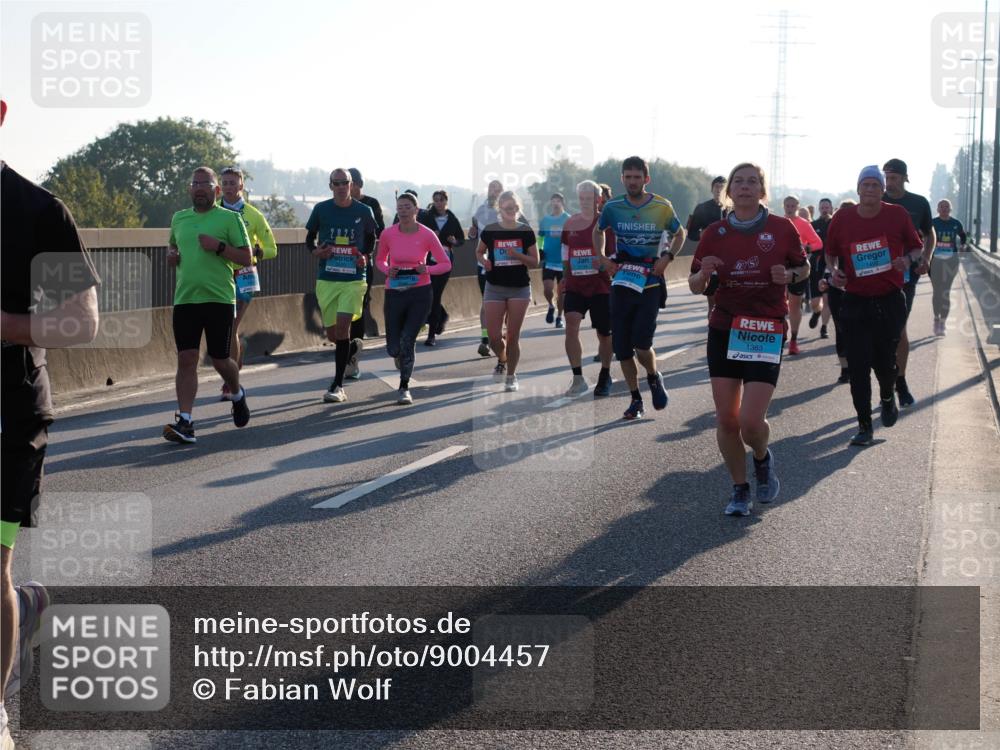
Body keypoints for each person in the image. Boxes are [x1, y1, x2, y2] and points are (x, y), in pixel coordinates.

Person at [1, 96, 100, 747]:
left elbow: (81, 322)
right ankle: (24, 608)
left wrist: (5, 327)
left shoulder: (36, 211)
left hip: (9, 418)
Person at [689, 161, 808, 516]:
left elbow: (805, 267)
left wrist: (787, 273)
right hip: (725, 327)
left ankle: (761, 456)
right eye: (738, 182)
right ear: (729, 191)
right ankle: (740, 489)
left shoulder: (782, 228)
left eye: (752, 181)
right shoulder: (714, 233)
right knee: (726, 419)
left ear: (761, 189)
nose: (744, 187)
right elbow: (696, 285)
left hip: (766, 328)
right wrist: (703, 275)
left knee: (751, 422)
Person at [825, 166, 923, 446]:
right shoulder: (842, 218)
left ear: (883, 190)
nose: (870, 189)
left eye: (875, 185)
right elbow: (830, 254)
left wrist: (908, 260)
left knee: (884, 362)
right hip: (855, 300)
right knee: (858, 366)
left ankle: (888, 396)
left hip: (890, 299)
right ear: (858, 189)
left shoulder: (897, 214)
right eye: (865, 184)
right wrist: (834, 272)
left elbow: (916, 247)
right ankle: (864, 426)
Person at [163, 167, 253, 443]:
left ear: (216, 191)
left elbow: (247, 257)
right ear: (190, 190)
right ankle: (186, 421)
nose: (199, 188)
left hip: (219, 299)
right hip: (186, 299)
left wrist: (219, 247)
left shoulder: (230, 218)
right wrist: (172, 254)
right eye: (195, 184)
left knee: (219, 359)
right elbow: (173, 247)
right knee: (186, 358)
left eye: (205, 184)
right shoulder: (179, 219)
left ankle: (237, 393)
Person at [594, 156, 686, 420]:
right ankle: (636, 399)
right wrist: (602, 258)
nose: (632, 182)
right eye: (627, 177)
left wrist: (667, 257)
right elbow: (599, 230)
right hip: (622, 280)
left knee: (642, 345)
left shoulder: (661, 206)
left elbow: (680, 233)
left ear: (646, 179)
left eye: (637, 177)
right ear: (622, 179)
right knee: (622, 348)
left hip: (650, 282)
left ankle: (654, 376)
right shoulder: (612, 206)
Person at [305, 168, 378, 404]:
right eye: (335, 183)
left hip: (354, 279)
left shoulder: (364, 211)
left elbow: (371, 238)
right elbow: (309, 238)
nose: (340, 187)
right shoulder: (321, 209)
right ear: (330, 186)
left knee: (344, 328)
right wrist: (317, 251)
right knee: (334, 335)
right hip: (327, 277)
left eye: (344, 182)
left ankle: (337, 385)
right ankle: (351, 351)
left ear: (351, 184)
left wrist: (365, 255)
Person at [377, 193, 452, 404]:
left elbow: (445, 264)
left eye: (407, 207)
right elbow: (380, 260)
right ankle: (400, 358)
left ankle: (404, 387)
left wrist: (425, 268)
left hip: (420, 293)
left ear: (416, 210)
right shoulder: (388, 234)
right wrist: (387, 270)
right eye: (400, 207)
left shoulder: (427, 235)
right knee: (393, 348)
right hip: (394, 293)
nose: (403, 210)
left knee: (408, 339)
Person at [217, 167, 277, 400]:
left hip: (244, 275)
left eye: (233, 182)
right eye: (225, 183)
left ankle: (230, 383)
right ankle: (237, 350)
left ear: (241, 185)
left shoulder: (253, 215)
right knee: (225, 330)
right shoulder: (213, 212)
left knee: (230, 326)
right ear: (220, 187)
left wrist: (257, 251)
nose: (229, 187)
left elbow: (273, 248)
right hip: (218, 275)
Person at [882, 158, 935, 408]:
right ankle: (886, 384)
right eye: (886, 177)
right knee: (880, 334)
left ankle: (899, 381)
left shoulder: (918, 203)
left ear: (904, 178)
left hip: (907, 275)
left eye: (893, 177)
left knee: (899, 328)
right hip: (875, 275)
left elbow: (929, 233)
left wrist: (926, 257)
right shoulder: (875, 201)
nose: (889, 182)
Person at [476, 190, 539, 391]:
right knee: (494, 337)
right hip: (494, 287)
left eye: (514, 208)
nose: (510, 211)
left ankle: (511, 376)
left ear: (518, 209)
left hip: (519, 288)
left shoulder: (525, 231)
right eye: (506, 208)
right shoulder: (491, 230)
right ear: (499, 210)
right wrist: (484, 261)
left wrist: (516, 255)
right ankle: (502, 359)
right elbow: (479, 251)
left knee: (512, 336)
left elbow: (535, 262)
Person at [561, 180, 614, 398]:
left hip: (601, 287)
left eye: (589, 199)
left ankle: (605, 373)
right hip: (575, 285)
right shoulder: (570, 223)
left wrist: (603, 262)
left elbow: (616, 255)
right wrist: (563, 282)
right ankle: (578, 378)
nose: (584, 202)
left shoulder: (607, 225)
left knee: (604, 335)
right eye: (581, 198)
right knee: (571, 325)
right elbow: (565, 254)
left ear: (598, 200)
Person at [418, 190, 465, 346]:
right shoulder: (426, 216)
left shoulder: (452, 218)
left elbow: (461, 240)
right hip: (426, 259)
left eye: (441, 200)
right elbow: (417, 232)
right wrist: (430, 235)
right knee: (426, 292)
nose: (438, 203)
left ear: (446, 201)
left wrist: (454, 241)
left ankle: (431, 335)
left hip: (444, 260)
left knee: (436, 294)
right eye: (436, 200)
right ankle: (440, 317)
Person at [782, 194, 823, 355]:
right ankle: (778, 337)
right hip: (779, 266)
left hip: (798, 268)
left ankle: (793, 340)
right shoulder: (779, 223)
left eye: (793, 206)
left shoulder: (804, 224)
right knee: (777, 304)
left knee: (794, 305)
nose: (790, 208)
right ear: (784, 206)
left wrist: (806, 248)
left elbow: (818, 243)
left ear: (798, 207)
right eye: (787, 206)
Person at [348, 168, 385, 341]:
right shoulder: (337, 204)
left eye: (351, 184)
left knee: (361, 300)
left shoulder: (371, 204)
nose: (347, 187)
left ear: (359, 185)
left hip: (363, 259)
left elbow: (380, 229)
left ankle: (356, 338)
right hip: (340, 261)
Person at [469, 180, 504, 356]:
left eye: (498, 190)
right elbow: (473, 231)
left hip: (505, 263)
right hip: (484, 263)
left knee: (504, 303)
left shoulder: (509, 210)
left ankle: (499, 335)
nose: (494, 193)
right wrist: (471, 232)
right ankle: (484, 338)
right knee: (486, 302)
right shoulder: (480, 210)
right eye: (492, 189)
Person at [686, 176, 728, 319]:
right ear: (712, 189)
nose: (719, 190)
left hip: (731, 257)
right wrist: (702, 235)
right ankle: (713, 320)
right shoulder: (702, 208)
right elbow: (690, 233)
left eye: (722, 187)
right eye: (717, 186)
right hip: (710, 257)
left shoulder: (734, 210)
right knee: (713, 300)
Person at [929, 199, 966, 336]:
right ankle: (936, 318)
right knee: (937, 292)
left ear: (950, 209)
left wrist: (962, 246)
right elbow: (923, 236)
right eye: (941, 207)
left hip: (951, 262)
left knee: (945, 292)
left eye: (947, 207)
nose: (944, 209)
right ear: (938, 209)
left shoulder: (956, 223)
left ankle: (942, 323)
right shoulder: (933, 223)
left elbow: (963, 236)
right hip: (935, 262)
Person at [538, 193, 571, 328]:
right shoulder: (545, 220)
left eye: (558, 201)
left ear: (562, 203)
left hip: (563, 261)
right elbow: (540, 237)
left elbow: (572, 238)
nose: (556, 203)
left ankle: (559, 317)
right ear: (551, 203)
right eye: (553, 201)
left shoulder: (568, 219)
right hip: (549, 260)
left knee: (562, 292)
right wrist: (540, 249)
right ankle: (551, 306)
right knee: (547, 289)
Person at [810, 198, 835, 339]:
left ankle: (824, 328)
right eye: (822, 207)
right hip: (816, 266)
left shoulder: (835, 224)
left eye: (827, 207)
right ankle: (816, 312)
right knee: (815, 302)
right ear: (819, 209)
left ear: (831, 208)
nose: (825, 209)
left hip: (830, 265)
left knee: (827, 299)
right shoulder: (813, 225)